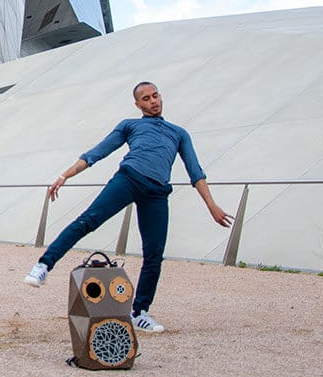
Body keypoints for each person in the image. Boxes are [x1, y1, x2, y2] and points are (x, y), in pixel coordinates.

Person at [23, 81, 233, 333]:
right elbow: (97, 152)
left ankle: (140, 312)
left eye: (155, 96)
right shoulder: (130, 125)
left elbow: (195, 172)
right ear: (138, 104)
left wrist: (212, 206)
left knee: (154, 254)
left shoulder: (178, 133)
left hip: (157, 192)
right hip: (128, 179)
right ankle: (44, 266)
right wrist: (65, 175)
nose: (153, 101)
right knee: (88, 220)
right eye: (146, 98)